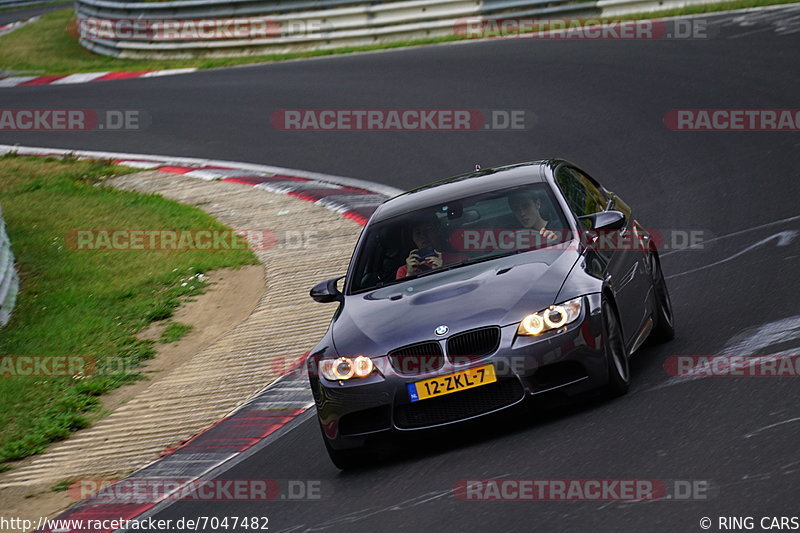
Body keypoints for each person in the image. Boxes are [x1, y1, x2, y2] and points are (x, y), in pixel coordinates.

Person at [396, 215, 467, 279]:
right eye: (418, 233)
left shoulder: (459, 260)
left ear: (438, 230)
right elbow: (404, 292)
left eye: (428, 229)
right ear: (412, 238)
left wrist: (442, 270)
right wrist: (410, 275)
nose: (423, 236)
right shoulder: (404, 271)